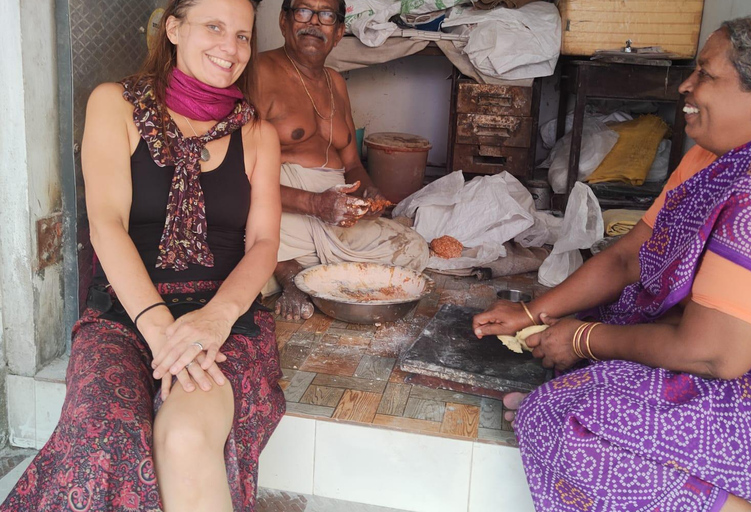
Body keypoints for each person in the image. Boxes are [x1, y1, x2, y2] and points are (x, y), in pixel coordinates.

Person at [473, 16, 751, 512]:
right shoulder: (709, 160)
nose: (686, 86)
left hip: (748, 387)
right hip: (703, 353)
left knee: (560, 424)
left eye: (706, 74)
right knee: (554, 400)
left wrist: (582, 339)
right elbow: (631, 257)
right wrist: (532, 313)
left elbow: (717, 355)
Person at [0, 0, 284, 510]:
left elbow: (264, 244)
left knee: (185, 437)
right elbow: (105, 223)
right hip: (124, 315)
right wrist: (157, 329)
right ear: (173, 27)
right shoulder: (116, 104)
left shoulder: (258, 134)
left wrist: (215, 318)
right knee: (101, 433)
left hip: (225, 317)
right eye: (215, 27)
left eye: (243, 35)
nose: (232, 47)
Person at [256, 0, 430, 320]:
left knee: (415, 249)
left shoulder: (335, 82)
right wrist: (315, 204)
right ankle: (288, 272)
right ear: (284, 21)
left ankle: (306, 271)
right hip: (284, 206)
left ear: (338, 33)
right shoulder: (258, 73)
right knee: (254, 229)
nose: (313, 23)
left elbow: (351, 165)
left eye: (326, 16)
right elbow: (240, 174)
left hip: (335, 211)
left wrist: (369, 192)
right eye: (303, 11)